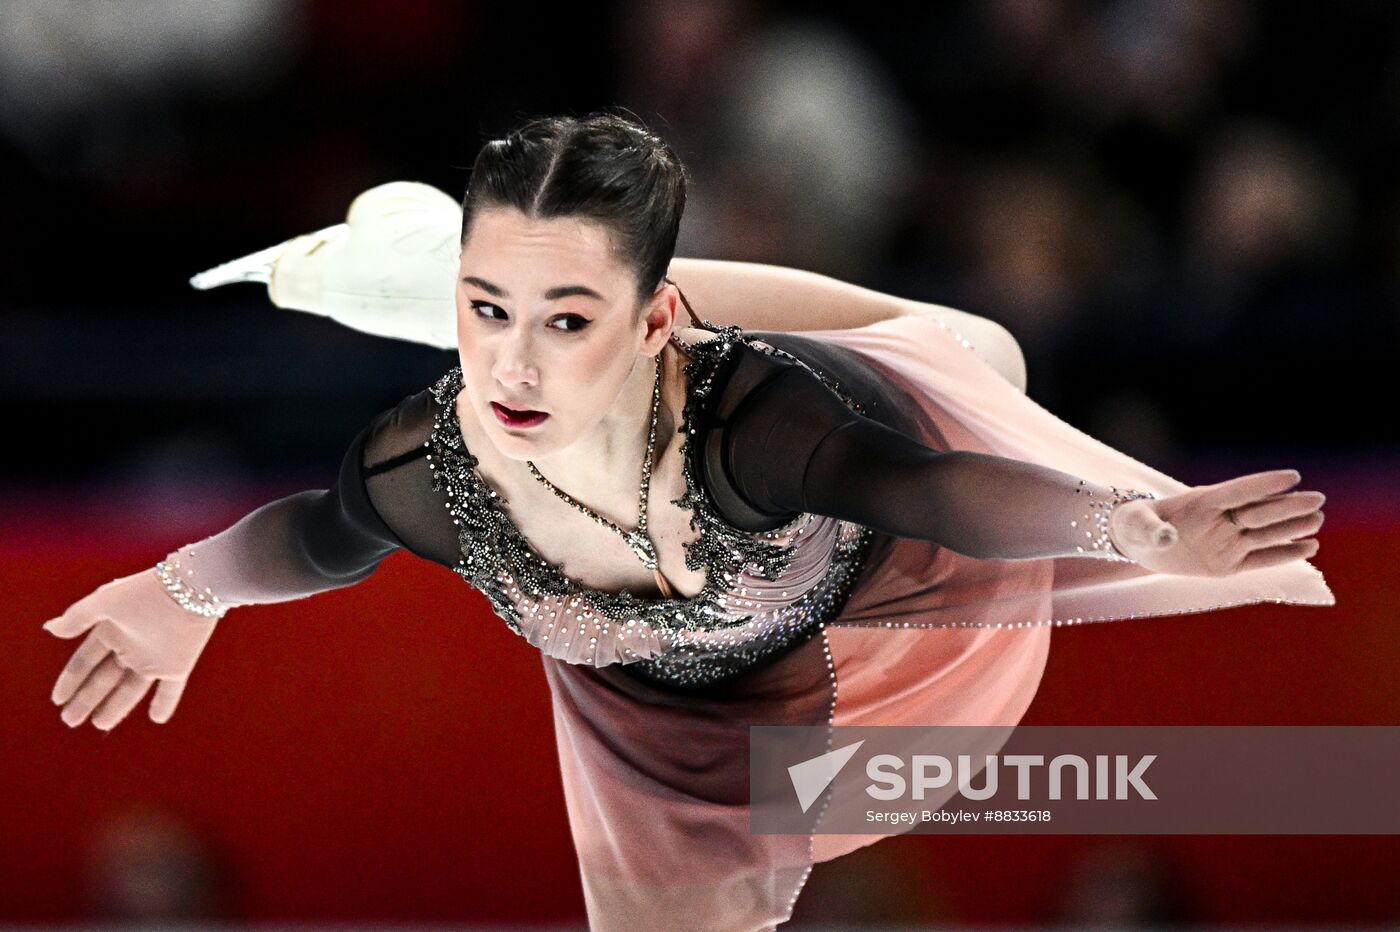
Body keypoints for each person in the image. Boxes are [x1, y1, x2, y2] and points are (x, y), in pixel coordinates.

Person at [41, 111, 1333, 931]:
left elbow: (929, 492)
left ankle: (445, 272)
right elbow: (320, 535)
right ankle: (428, 269)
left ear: (651, 324)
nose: (511, 376)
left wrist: (1128, 527)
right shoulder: (434, 466)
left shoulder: (752, 428)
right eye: (482, 316)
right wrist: (182, 590)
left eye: (559, 325)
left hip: (877, 555)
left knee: (979, 351)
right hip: (660, 705)